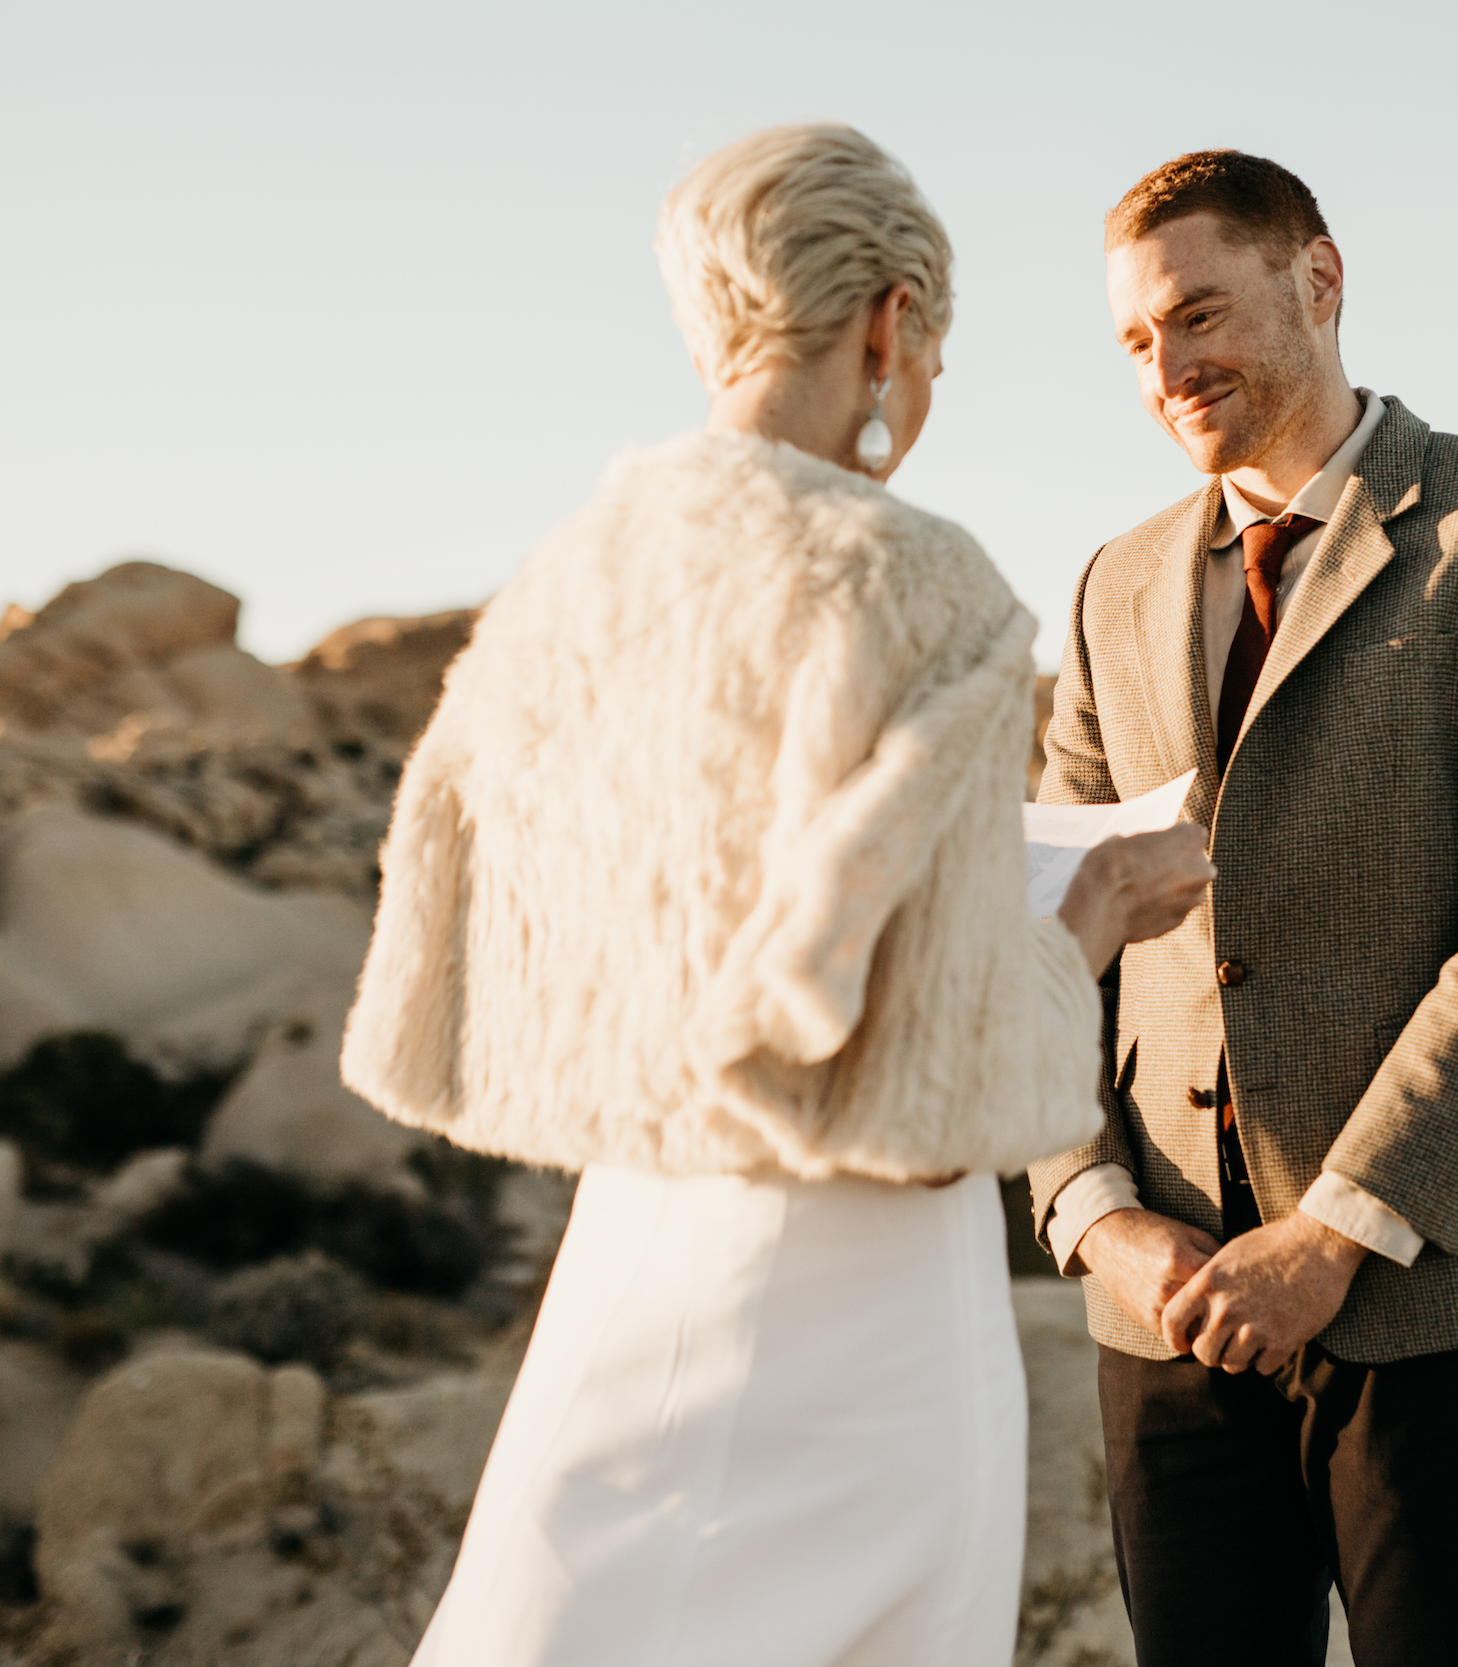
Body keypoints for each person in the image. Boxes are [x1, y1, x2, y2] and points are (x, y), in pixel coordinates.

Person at [339, 123, 1214, 1667]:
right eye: (930, 343)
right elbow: (922, 1078)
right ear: (885, 317)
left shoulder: (562, 586)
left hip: (636, 1251)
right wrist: (1097, 908)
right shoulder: (906, 581)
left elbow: (468, 947)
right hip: (851, 1303)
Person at [1026, 150, 1458, 1666]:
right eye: (1134, 341)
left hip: (1431, 1305)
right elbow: (1041, 934)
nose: (1168, 370)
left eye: (1198, 314)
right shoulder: (1113, 584)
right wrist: (1096, 1215)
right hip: (1166, 1309)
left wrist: (1336, 1236)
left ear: (1321, 280)